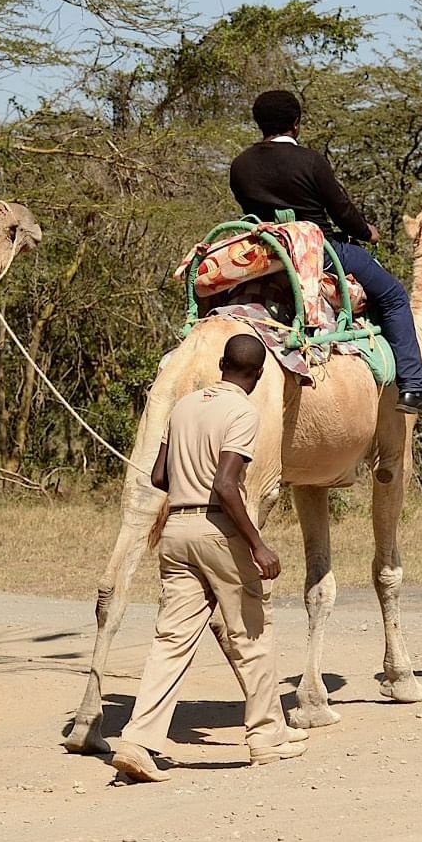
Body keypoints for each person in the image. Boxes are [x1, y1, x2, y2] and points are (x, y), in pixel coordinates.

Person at [111, 333, 307, 782]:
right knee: (252, 634)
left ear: (221, 363)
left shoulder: (184, 406)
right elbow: (225, 484)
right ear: (257, 375)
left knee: (171, 642)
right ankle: (265, 737)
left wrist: (186, 477)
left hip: (176, 530)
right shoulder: (242, 410)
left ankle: (138, 742)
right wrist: (257, 543)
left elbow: (159, 475)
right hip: (217, 528)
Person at [229, 89, 422, 418]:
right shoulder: (310, 161)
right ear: (296, 124)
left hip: (264, 254)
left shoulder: (240, 165)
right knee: (394, 296)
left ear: (259, 123)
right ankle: (414, 387)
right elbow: (342, 211)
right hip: (321, 252)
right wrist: (366, 232)